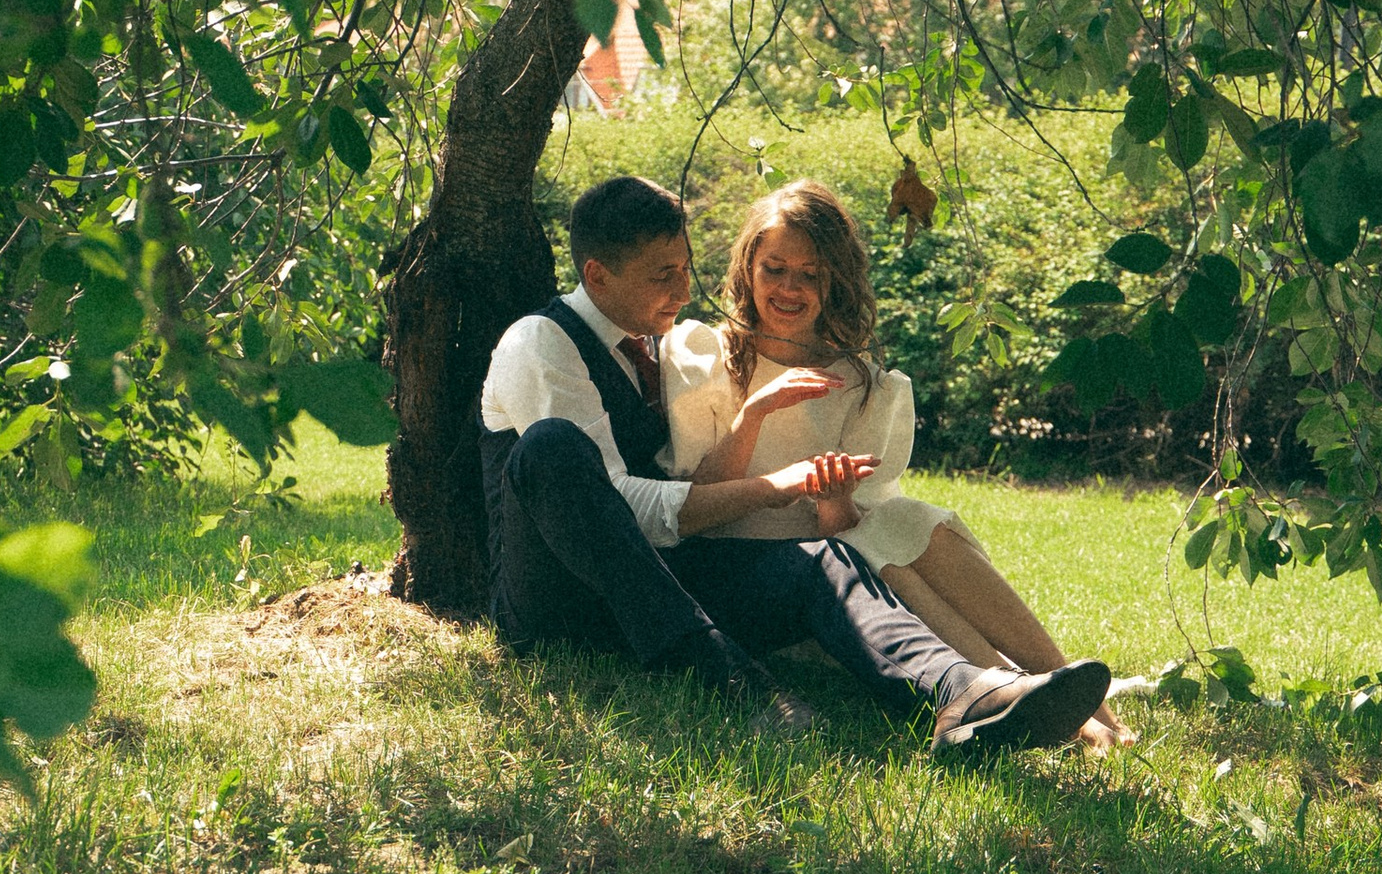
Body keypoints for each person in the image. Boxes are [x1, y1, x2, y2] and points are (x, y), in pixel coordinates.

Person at [478, 171, 1116, 760]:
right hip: (561, 604)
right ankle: (731, 678)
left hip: (664, 584)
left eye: (685, 269)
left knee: (822, 559)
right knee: (552, 445)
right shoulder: (540, 342)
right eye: (663, 275)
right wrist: (772, 484)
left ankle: (964, 692)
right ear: (597, 276)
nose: (683, 290)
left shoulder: (648, 341)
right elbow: (615, 510)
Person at [663, 178, 1134, 746]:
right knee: (882, 535)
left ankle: (1066, 698)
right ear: (748, 268)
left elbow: (846, 534)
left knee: (902, 519)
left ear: (836, 280)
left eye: (811, 274)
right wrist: (754, 414)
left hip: (847, 582)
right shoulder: (703, 354)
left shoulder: (861, 382)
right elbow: (688, 510)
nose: (790, 288)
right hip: (753, 581)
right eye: (775, 269)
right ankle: (1042, 703)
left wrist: (833, 499)